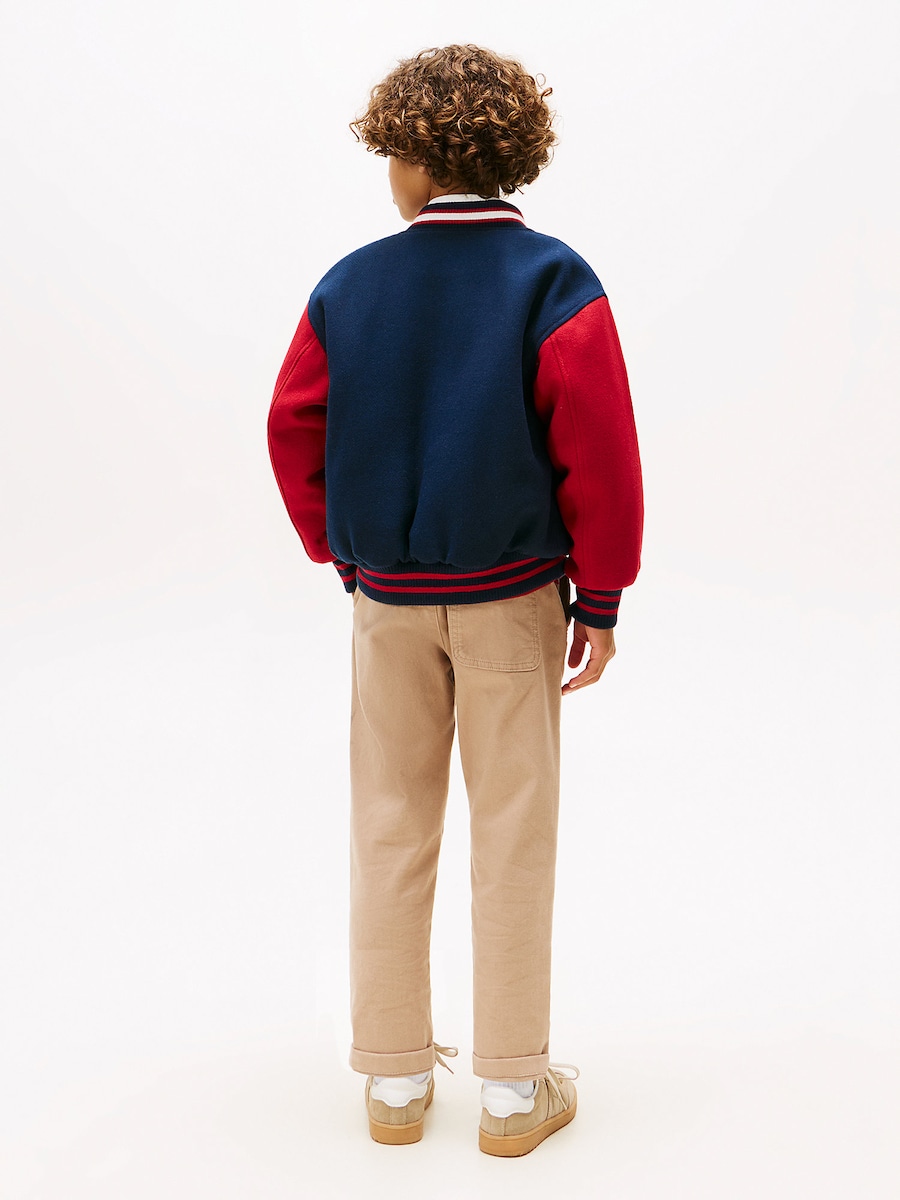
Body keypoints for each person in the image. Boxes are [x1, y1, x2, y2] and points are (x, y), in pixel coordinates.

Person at [267, 43, 644, 1157]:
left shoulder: (350, 284)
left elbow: (292, 426)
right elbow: (600, 451)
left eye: (391, 154)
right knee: (514, 833)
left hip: (387, 603)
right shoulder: (556, 281)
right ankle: (516, 1095)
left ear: (418, 162)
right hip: (513, 602)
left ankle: (392, 1082)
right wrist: (600, 598)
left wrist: (343, 554)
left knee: (389, 825)